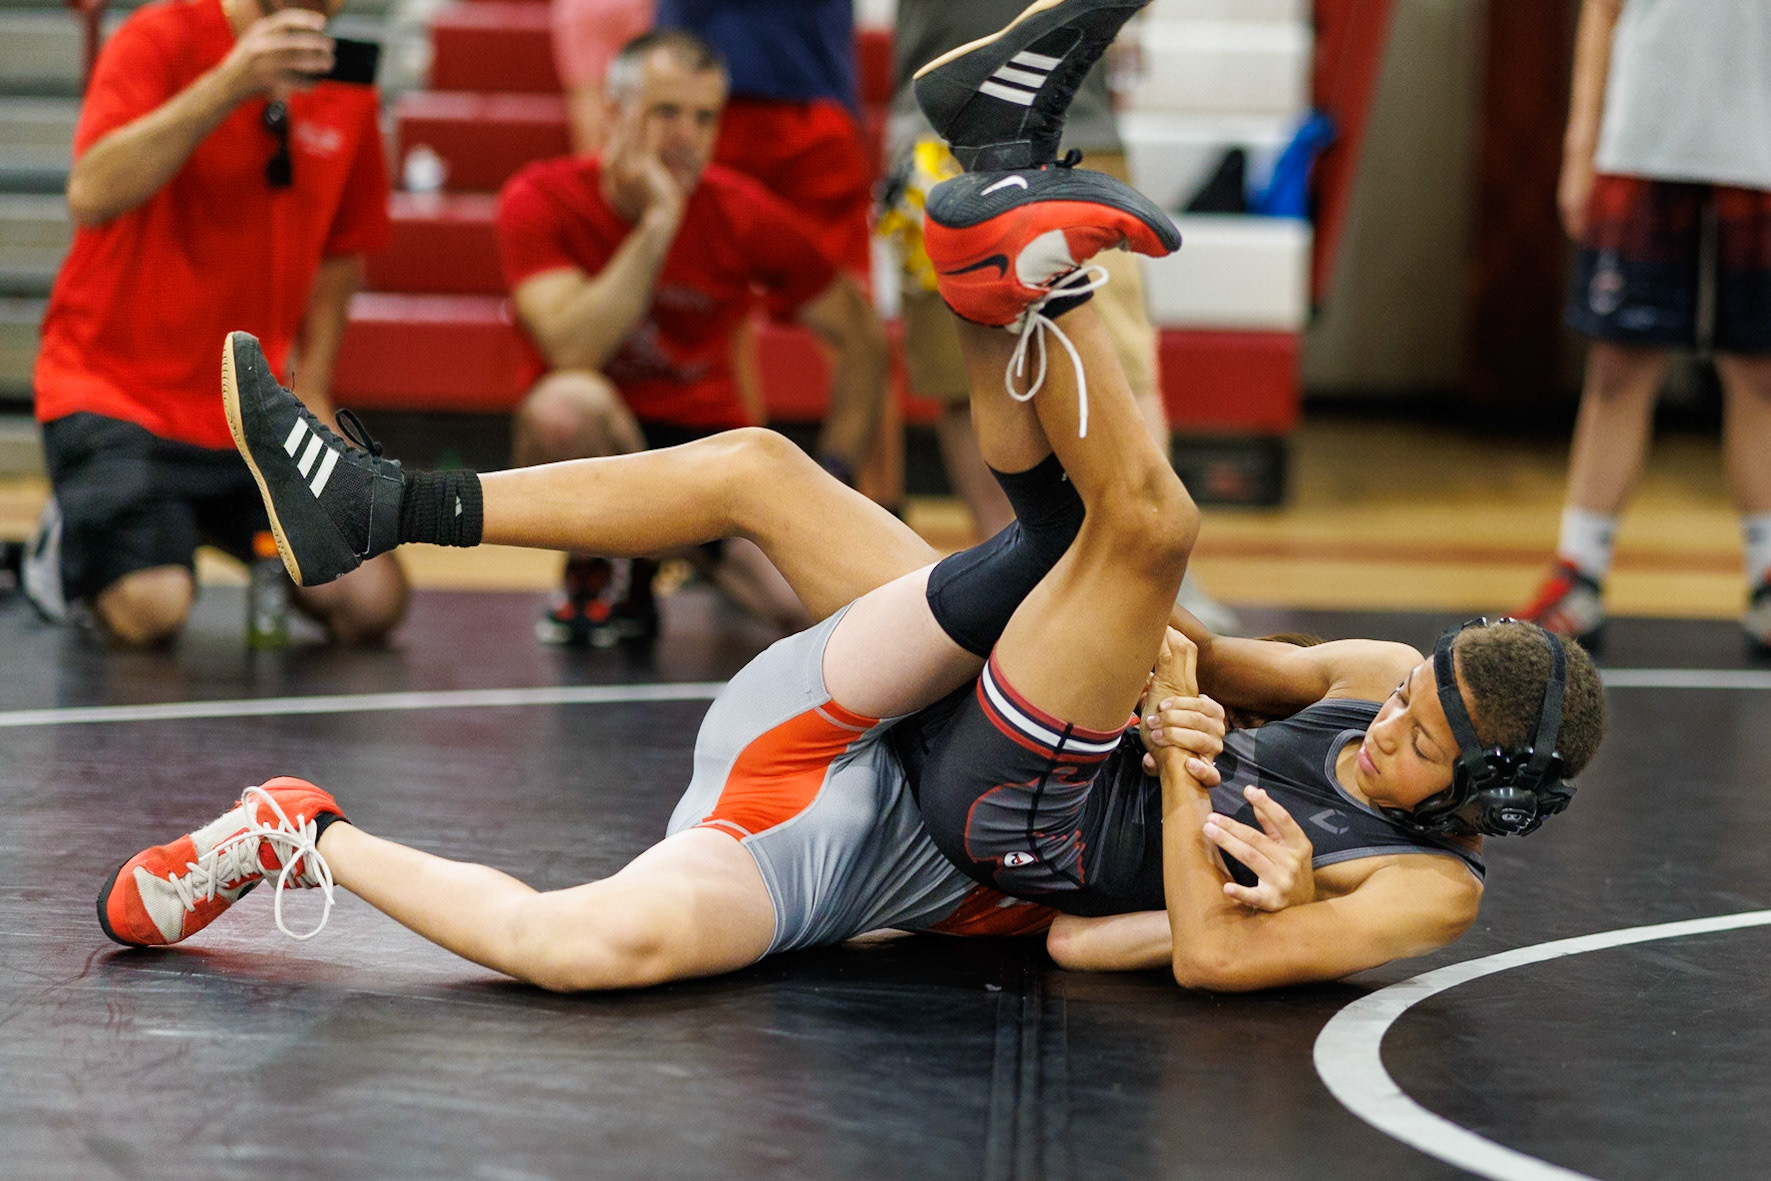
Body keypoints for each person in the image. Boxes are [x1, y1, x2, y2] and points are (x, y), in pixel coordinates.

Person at [99, 0, 1604, 993]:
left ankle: (291, 831)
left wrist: (1196, 799)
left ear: (1483, 795)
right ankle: (380, 503)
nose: (1391, 717)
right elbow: (1220, 661)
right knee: (801, 476)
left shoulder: (1416, 886)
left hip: (910, 820)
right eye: (1411, 697)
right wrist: (1168, 679)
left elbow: (1109, 952)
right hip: (934, 728)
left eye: (1420, 740)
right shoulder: (1373, 682)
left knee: (580, 949)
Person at [26, 0, 409, 647]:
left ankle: (169, 524)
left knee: (370, 602)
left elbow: (343, 250)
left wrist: (314, 385)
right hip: (118, 396)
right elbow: (91, 191)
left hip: (249, 412)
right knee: (154, 607)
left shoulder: (344, 80)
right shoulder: (159, 36)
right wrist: (231, 82)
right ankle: (70, 534)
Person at [497, 30, 888, 645]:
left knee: (815, 609)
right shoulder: (542, 197)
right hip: (599, 453)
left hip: (706, 464)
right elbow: (572, 348)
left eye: (705, 118)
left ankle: (673, 558)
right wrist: (659, 223)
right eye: (666, 112)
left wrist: (831, 478)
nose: (688, 136)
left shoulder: (739, 210)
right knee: (565, 406)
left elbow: (861, 338)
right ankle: (606, 568)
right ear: (614, 112)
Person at [881, 0, 1238, 634]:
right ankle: (1108, 575)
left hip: (1033, 123)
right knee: (986, 367)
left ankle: (1075, 577)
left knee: (1002, 351)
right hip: (964, 127)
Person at [1519, 0, 1771, 649]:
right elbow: (1603, 11)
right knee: (1617, 366)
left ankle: (1767, 576)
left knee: (1760, 370)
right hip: (1643, 138)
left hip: (1760, 146)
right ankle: (1578, 572)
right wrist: (1582, 141)